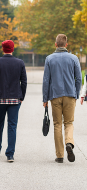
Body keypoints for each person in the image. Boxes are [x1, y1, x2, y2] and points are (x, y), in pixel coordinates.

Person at [42, 34, 82, 163]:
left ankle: (59, 155)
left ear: (55, 44)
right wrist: (76, 94)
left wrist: (45, 98)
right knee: (69, 123)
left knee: (57, 124)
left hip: (55, 96)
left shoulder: (49, 59)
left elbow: (46, 80)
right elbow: (79, 78)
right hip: (70, 95)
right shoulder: (74, 58)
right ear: (66, 44)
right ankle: (69, 142)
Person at [0, 40, 27, 162]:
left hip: (0, 98)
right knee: (12, 126)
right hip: (15, 99)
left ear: (3, 49)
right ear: (13, 49)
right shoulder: (20, 63)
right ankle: (10, 154)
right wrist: (21, 97)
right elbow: (24, 82)